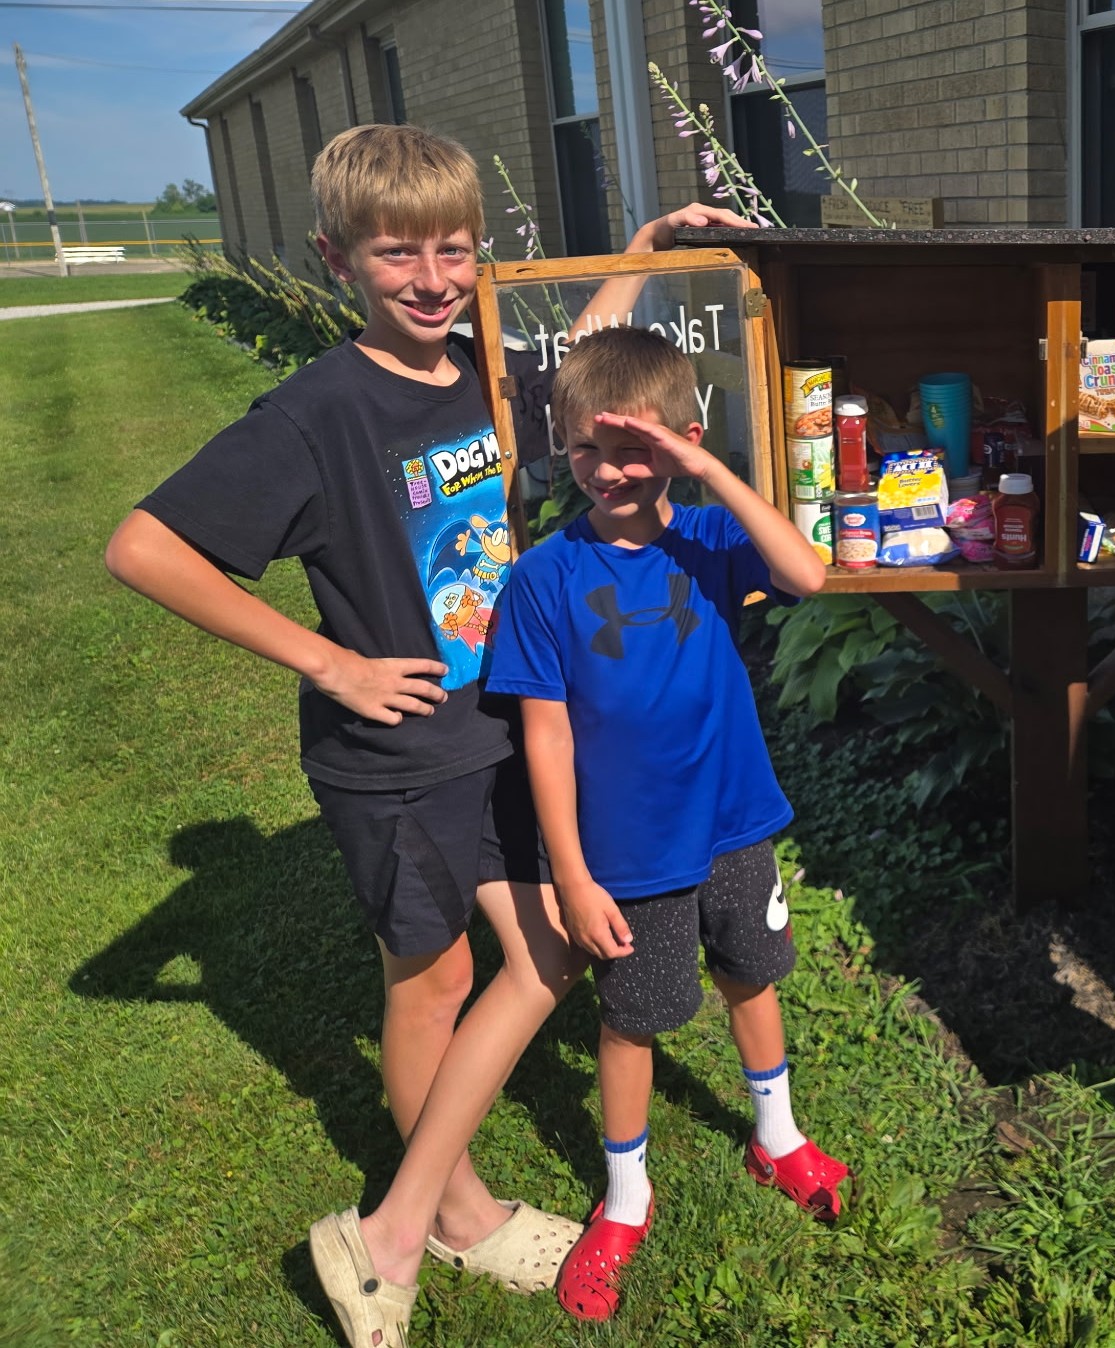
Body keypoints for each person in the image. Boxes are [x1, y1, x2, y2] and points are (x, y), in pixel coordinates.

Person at [104, 122, 753, 1348]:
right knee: (435, 978)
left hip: (496, 727)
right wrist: (328, 660)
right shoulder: (314, 414)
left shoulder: (474, 371)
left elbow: (573, 351)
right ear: (336, 259)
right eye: (396, 254)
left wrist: (644, 250)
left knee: (549, 949)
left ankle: (416, 1220)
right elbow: (143, 546)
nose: (432, 278)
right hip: (397, 758)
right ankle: (433, 1219)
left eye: (453, 250)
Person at [484, 325, 839, 1322]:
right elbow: (544, 740)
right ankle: (627, 1197)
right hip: (627, 851)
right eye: (588, 449)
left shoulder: (710, 540)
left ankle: (776, 1136)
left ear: (684, 437)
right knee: (634, 1016)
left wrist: (706, 471)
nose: (610, 470)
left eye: (636, 447)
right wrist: (572, 874)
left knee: (752, 973)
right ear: (564, 450)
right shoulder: (542, 579)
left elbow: (808, 574)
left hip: (732, 819)